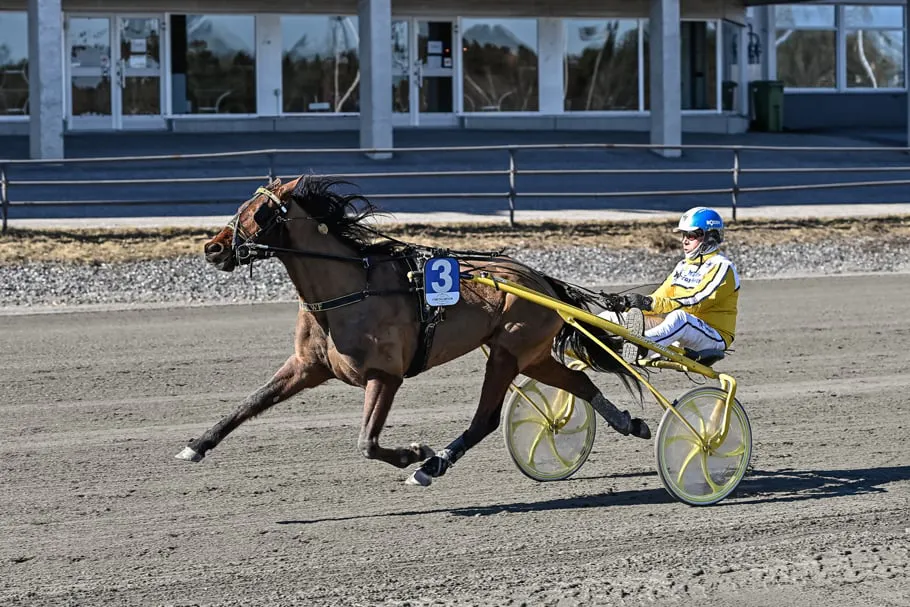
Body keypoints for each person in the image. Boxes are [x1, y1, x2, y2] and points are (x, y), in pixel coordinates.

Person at [605, 206, 740, 364]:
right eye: (684, 235)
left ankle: (641, 347)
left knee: (679, 317)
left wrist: (650, 304)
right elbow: (660, 297)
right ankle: (586, 342)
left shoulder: (722, 267)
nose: (684, 240)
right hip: (676, 331)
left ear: (710, 237)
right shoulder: (683, 265)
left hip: (712, 337)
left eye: (691, 235)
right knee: (614, 317)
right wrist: (628, 304)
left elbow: (695, 302)